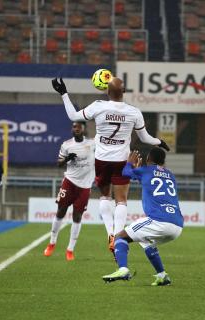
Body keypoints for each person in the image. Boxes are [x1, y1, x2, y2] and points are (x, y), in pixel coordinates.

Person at [51, 76, 169, 256]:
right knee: (121, 200)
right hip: (122, 160)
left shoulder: (98, 106)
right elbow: (145, 139)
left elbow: (73, 116)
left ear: (107, 92)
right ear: (124, 92)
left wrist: (63, 93)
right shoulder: (133, 111)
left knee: (105, 196)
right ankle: (119, 237)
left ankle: (110, 234)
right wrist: (159, 141)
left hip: (101, 160)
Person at [102, 148, 183, 286]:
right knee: (145, 241)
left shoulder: (145, 170)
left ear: (148, 159)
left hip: (159, 221)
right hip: (177, 226)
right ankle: (162, 276)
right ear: (163, 161)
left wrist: (129, 163)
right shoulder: (170, 175)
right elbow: (153, 182)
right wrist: (139, 171)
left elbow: (125, 173)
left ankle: (123, 269)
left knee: (120, 237)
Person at [43, 122, 95, 261]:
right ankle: (52, 243)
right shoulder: (66, 144)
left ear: (84, 129)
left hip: (84, 186)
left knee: (77, 217)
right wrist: (67, 158)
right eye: (74, 127)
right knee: (60, 211)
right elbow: (59, 163)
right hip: (69, 182)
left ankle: (70, 249)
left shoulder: (93, 143)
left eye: (79, 127)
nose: (76, 129)